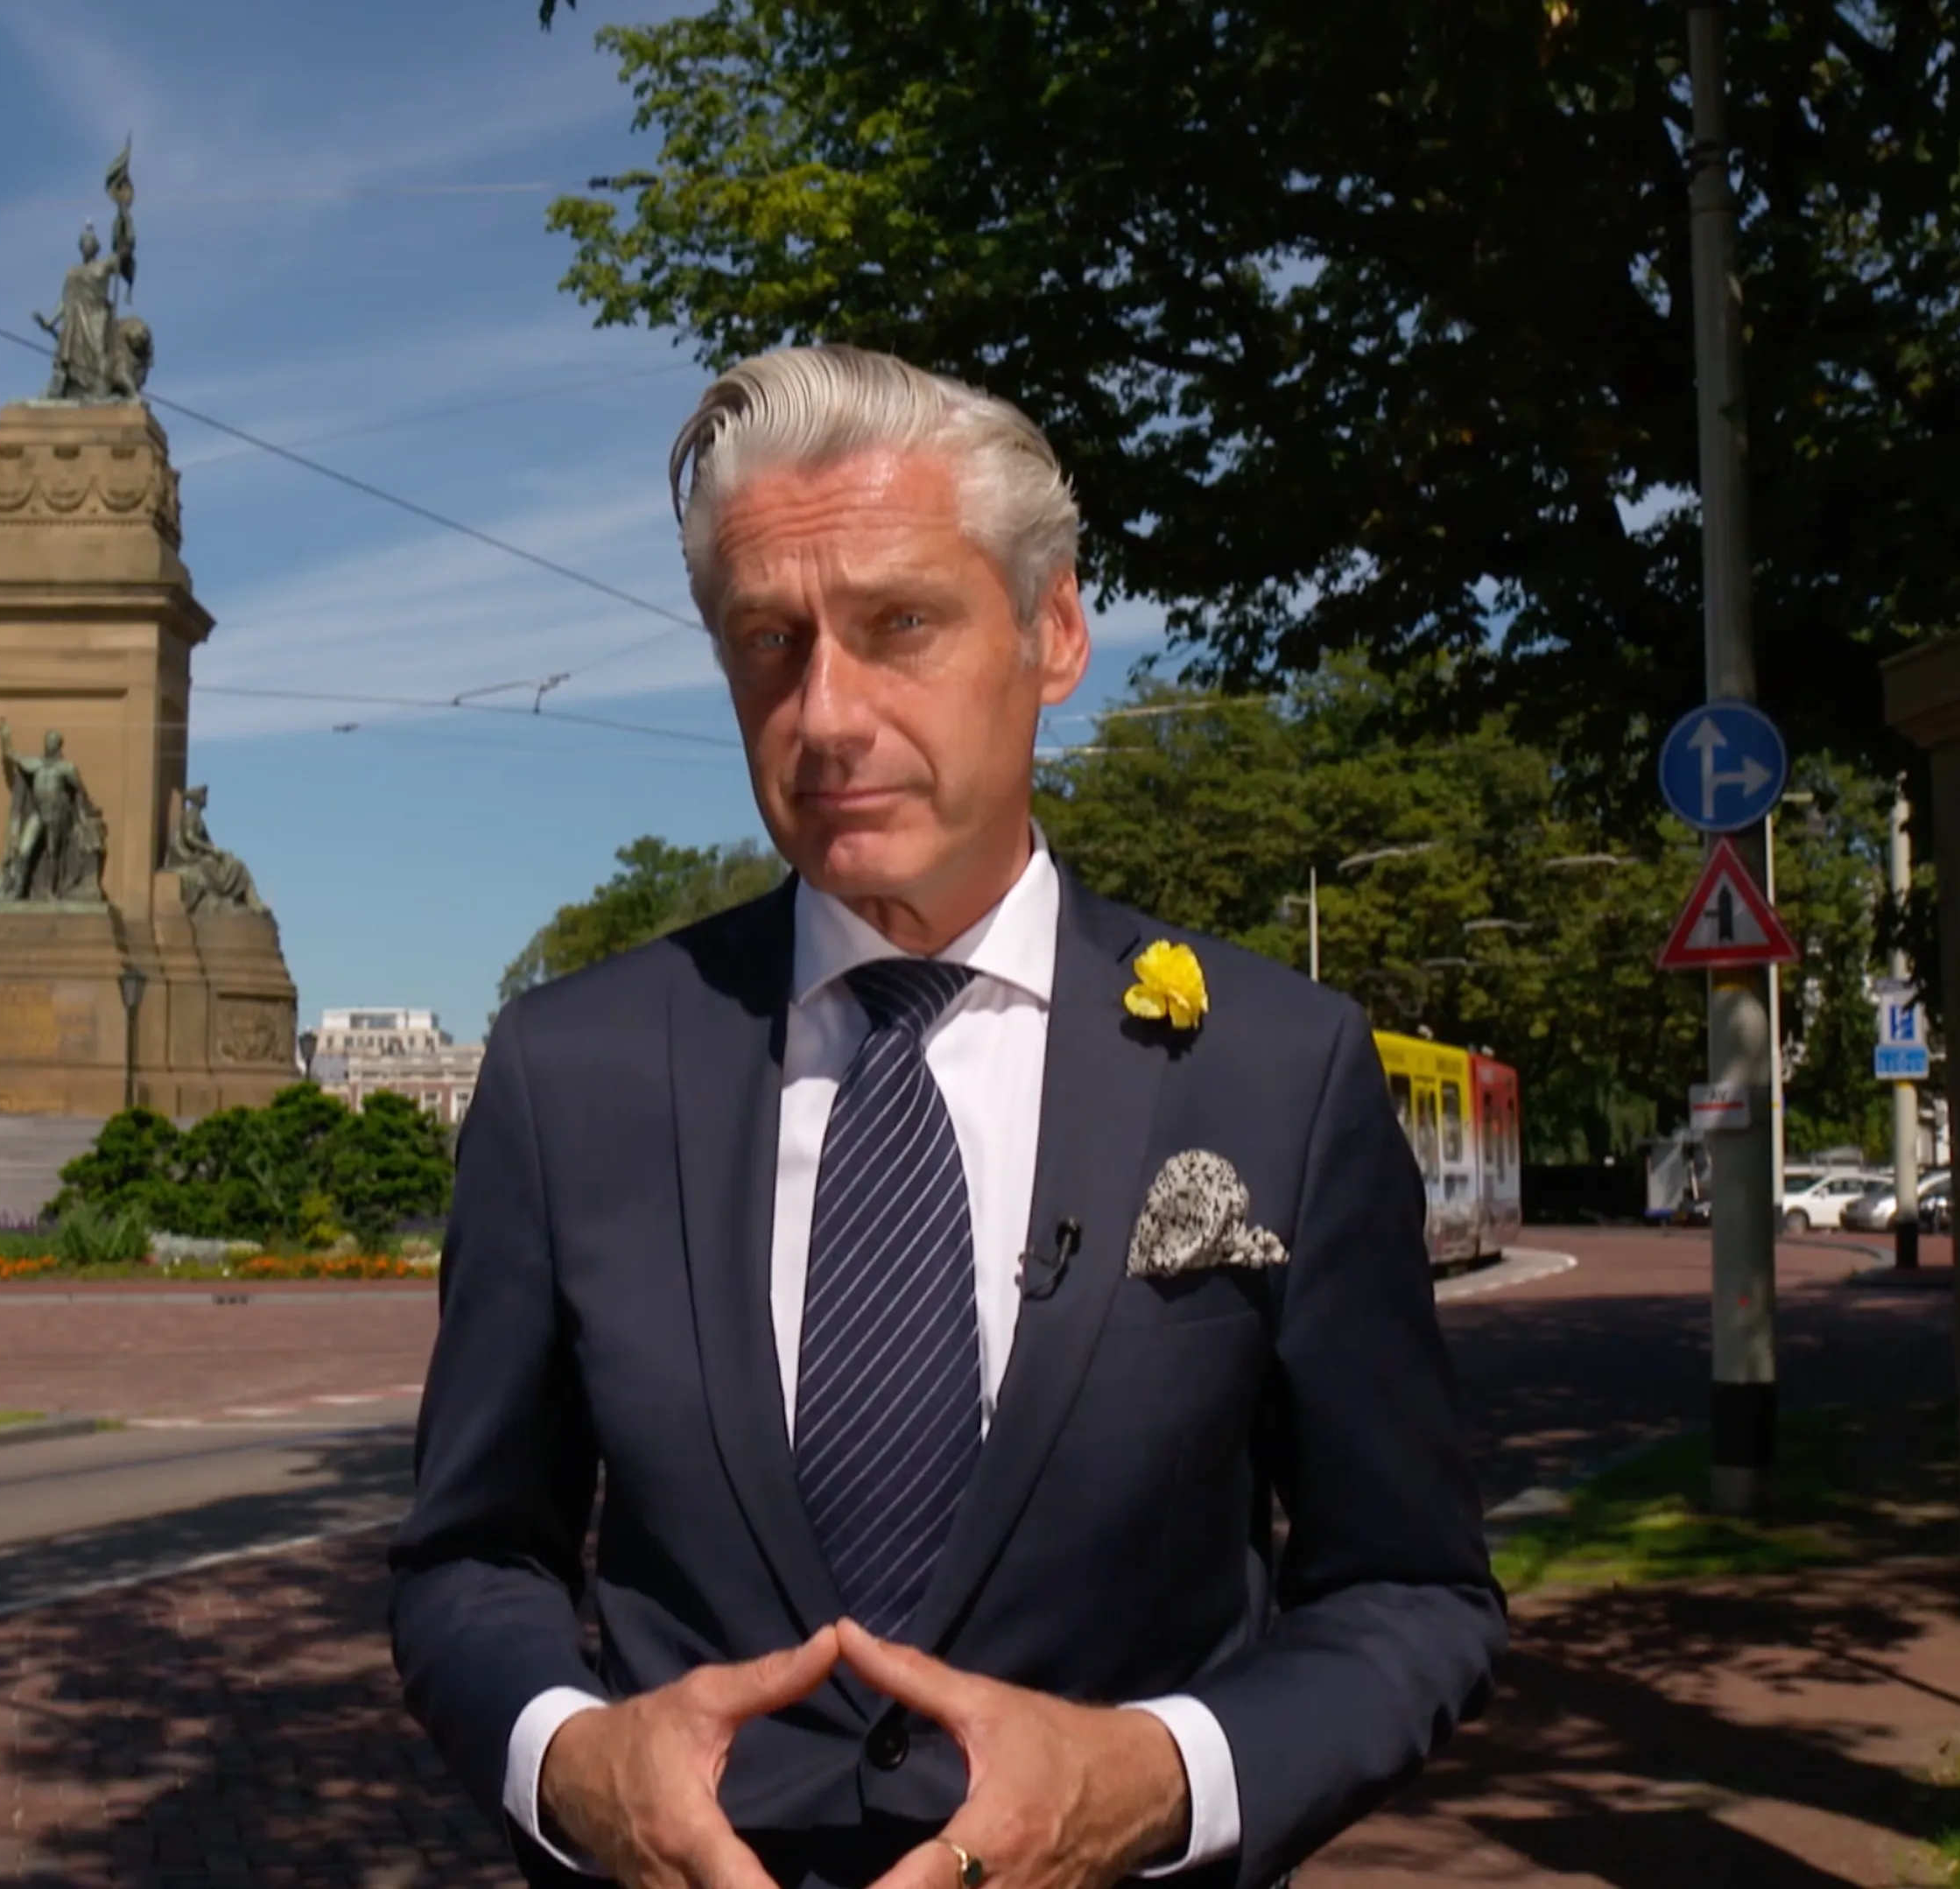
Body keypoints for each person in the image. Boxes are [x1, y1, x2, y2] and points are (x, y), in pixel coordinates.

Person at [389, 345, 1505, 1889]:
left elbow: (1411, 1589)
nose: (827, 711)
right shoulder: (571, 1070)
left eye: (900, 622)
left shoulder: (1276, 1067)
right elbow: (469, 1556)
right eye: (770, 642)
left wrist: (1158, 1779)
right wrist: (573, 1762)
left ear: (1054, 633)